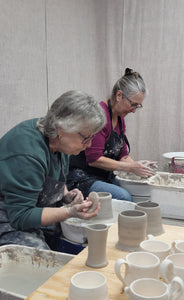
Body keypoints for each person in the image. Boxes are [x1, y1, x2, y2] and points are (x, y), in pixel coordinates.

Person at [0, 90, 106, 250]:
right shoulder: (27, 154)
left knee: (78, 238)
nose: (89, 145)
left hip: (31, 207)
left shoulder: (60, 143)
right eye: (86, 138)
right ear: (61, 129)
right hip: (10, 215)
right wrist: (70, 212)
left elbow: (55, 175)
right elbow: (21, 216)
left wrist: (66, 195)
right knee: (40, 257)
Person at [67, 68, 155, 202]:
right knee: (124, 197)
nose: (134, 111)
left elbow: (122, 155)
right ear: (119, 95)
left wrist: (139, 166)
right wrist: (131, 167)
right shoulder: (99, 116)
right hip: (81, 176)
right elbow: (94, 159)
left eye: (138, 106)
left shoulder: (120, 118)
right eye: (133, 104)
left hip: (103, 176)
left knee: (140, 189)